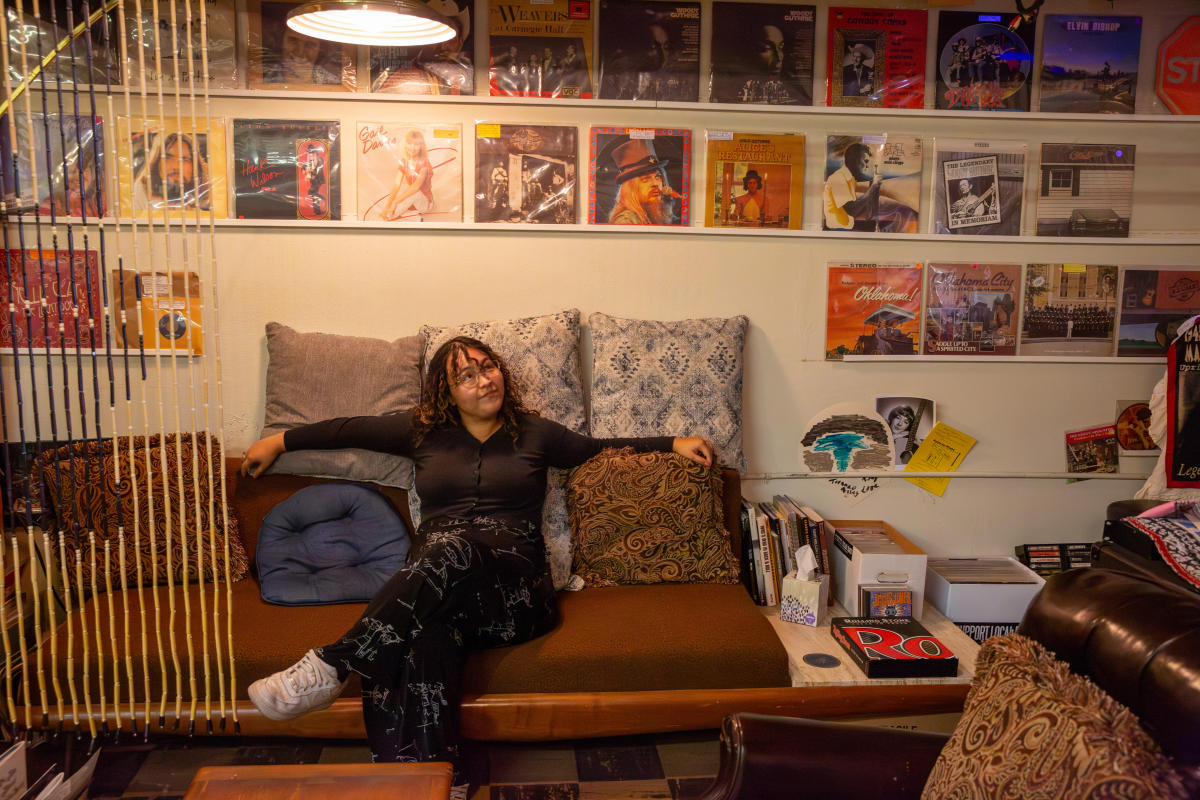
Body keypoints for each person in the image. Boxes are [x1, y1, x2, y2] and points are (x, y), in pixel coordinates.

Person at [240, 336, 714, 792]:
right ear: (447, 393)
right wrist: (280, 440)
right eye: (466, 375)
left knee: (447, 550)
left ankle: (334, 663)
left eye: (488, 367)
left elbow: (597, 449)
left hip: (514, 595)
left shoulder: (536, 432)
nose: (484, 380)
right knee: (420, 637)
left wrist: (672, 442)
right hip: (442, 590)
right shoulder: (422, 432)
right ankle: (438, 782)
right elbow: (348, 429)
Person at [822, 142, 915, 232]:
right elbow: (851, 210)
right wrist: (872, 188)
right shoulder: (838, 179)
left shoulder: (850, 179)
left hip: (847, 228)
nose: (866, 167)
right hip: (837, 230)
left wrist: (874, 188)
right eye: (865, 161)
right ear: (854, 161)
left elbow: (869, 213)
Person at [132, 131, 210, 212]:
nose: (177, 166)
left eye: (185, 159)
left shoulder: (206, 202)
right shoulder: (141, 193)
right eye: (168, 157)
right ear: (157, 161)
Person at [606, 139, 678, 225]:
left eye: (657, 177)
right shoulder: (626, 221)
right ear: (630, 188)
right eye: (645, 179)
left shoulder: (660, 213)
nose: (655, 184)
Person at [383, 129, 433, 221]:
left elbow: (415, 187)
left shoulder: (424, 162)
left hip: (425, 202)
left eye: (416, 144)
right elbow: (396, 185)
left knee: (413, 192)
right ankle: (414, 217)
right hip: (412, 200)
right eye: (409, 143)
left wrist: (395, 203)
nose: (412, 147)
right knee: (403, 196)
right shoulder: (404, 161)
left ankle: (390, 216)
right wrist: (387, 206)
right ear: (405, 144)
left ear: (421, 146)